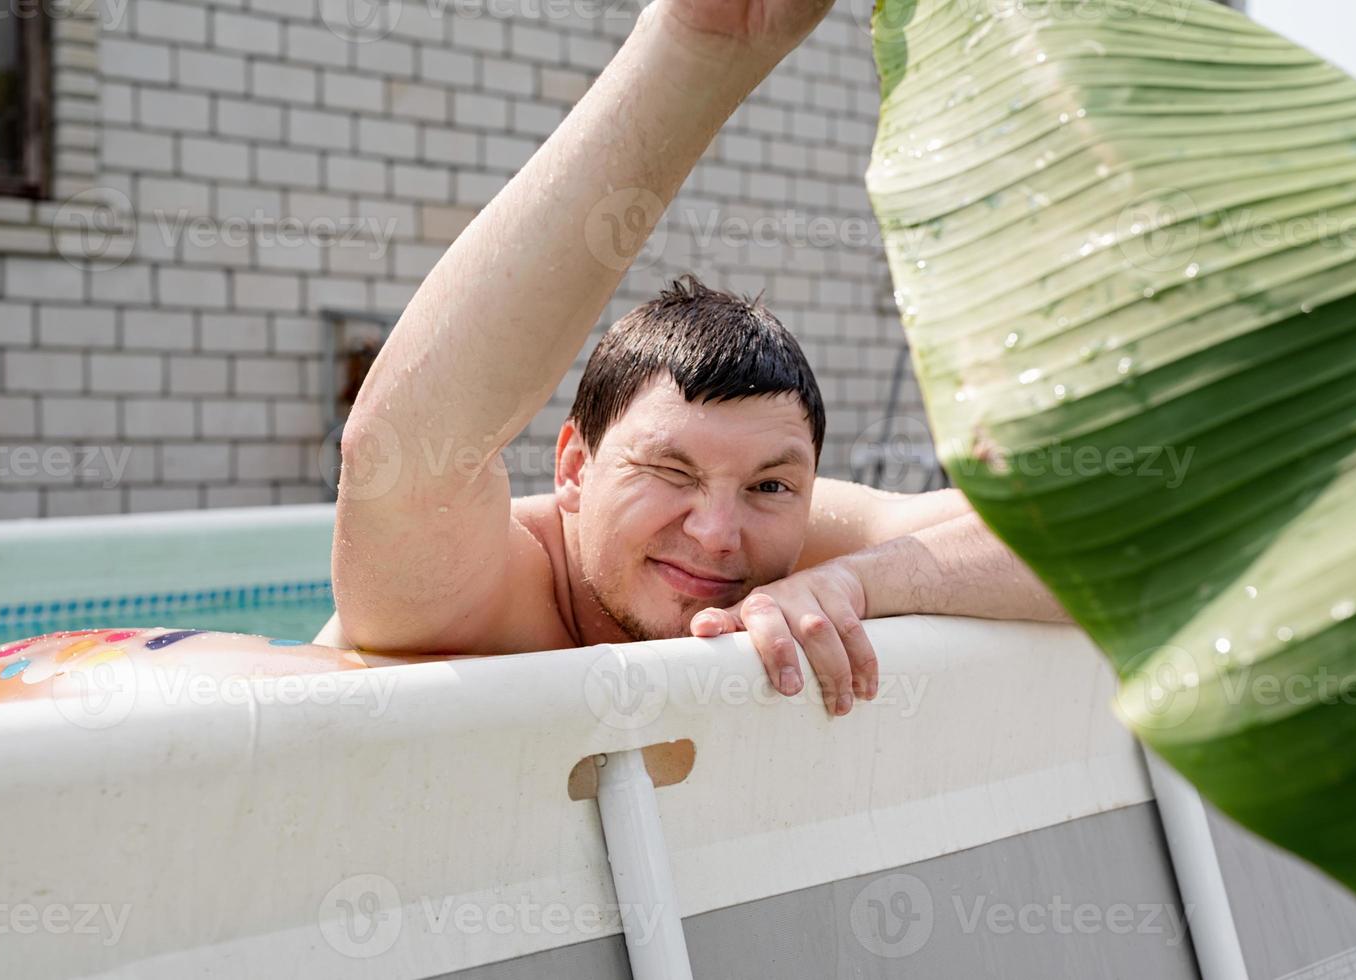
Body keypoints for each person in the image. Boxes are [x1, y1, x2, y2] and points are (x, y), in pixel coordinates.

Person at [324, 0, 1065, 717]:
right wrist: (693, 44)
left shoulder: (802, 544)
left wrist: (859, 583)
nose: (716, 534)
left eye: (771, 486)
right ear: (574, 469)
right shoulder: (491, 589)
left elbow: (1129, 533)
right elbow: (401, 452)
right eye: (669, 470)